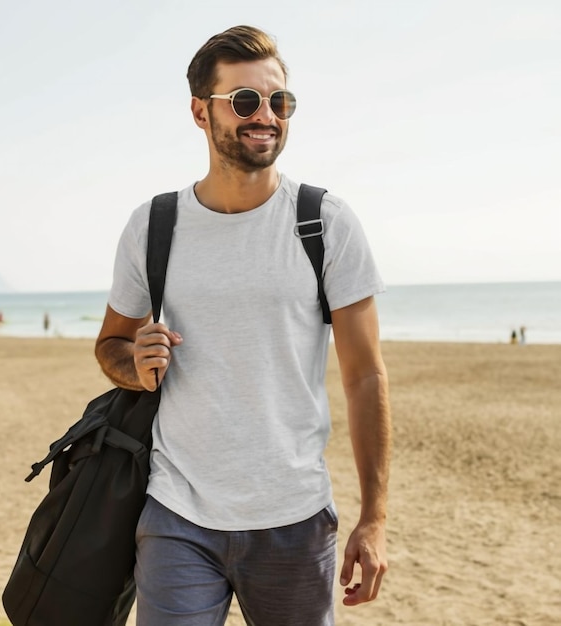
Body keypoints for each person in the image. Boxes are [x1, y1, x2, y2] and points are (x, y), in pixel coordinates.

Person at [95, 25, 391, 626]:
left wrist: (375, 518)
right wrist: (136, 362)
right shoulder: (153, 225)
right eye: (246, 100)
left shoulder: (325, 223)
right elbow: (110, 345)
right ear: (201, 112)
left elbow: (365, 377)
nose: (267, 116)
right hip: (176, 515)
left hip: (296, 520)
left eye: (279, 101)